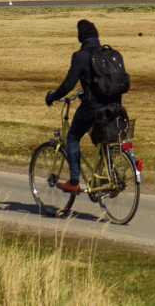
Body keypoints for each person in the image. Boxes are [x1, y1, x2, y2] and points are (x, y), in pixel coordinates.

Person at [44, 18, 114, 194]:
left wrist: (52, 96)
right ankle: (107, 173)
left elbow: (68, 85)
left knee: (73, 137)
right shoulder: (107, 54)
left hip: (93, 107)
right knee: (100, 138)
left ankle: (74, 182)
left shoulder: (81, 56)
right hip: (114, 105)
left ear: (80, 37)